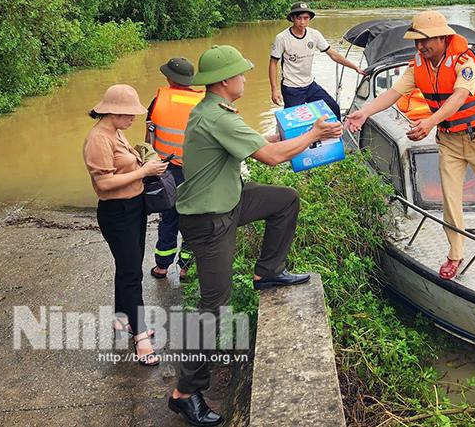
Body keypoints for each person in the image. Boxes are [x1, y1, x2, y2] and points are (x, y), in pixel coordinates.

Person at [169, 44, 343, 427]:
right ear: (225, 81)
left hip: (229, 201)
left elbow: (257, 145)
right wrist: (313, 132)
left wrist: (283, 131)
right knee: (215, 307)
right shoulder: (218, 118)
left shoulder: (216, 113)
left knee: (284, 201)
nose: (247, 78)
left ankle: (268, 272)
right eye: (241, 73)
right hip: (209, 218)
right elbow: (273, 157)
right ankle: (186, 392)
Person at [345, 11, 475, 281]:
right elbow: (394, 93)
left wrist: (429, 122)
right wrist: (365, 112)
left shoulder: (465, 61)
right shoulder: (418, 65)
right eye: (417, 42)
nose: (420, 47)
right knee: (450, 199)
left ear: (443, 38)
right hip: (449, 141)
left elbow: (459, 97)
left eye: (425, 41)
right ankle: (455, 254)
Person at [82, 84, 167, 367]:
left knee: (128, 268)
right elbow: (103, 184)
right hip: (116, 212)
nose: (134, 120)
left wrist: (146, 162)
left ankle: (124, 321)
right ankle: (141, 339)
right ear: (113, 112)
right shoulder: (98, 139)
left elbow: (124, 168)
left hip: (134, 207)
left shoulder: (116, 133)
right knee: (132, 275)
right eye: (129, 115)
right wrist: (144, 171)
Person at [145, 57, 202, 281]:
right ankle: (186, 268)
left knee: (168, 218)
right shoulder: (204, 102)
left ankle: (161, 267)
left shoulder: (158, 101)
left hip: (166, 170)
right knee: (191, 218)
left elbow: (148, 138)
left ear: (170, 79)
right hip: (195, 171)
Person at [269, 1, 363, 117]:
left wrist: (355, 68)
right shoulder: (282, 38)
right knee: (295, 120)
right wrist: (274, 90)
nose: (302, 22)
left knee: (332, 108)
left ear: (309, 18)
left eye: (306, 18)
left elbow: (333, 54)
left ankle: (335, 133)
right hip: (291, 88)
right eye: (299, 18)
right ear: (292, 18)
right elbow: (273, 64)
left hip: (310, 85)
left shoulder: (314, 35)